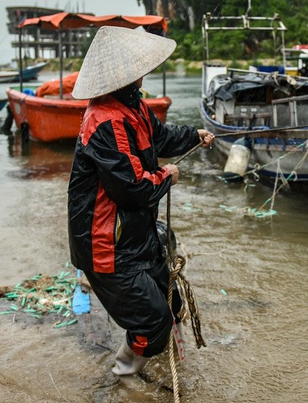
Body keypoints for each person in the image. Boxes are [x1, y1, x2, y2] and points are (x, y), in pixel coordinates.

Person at [67, 26, 214, 376]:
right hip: (107, 243)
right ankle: (124, 374)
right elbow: (132, 188)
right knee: (152, 321)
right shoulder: (104, 120)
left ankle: (164, 358)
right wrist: (168, 175)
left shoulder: (134, 105)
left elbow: (160, 136)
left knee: (170, 297)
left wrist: (195, 134)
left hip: (133, 231)